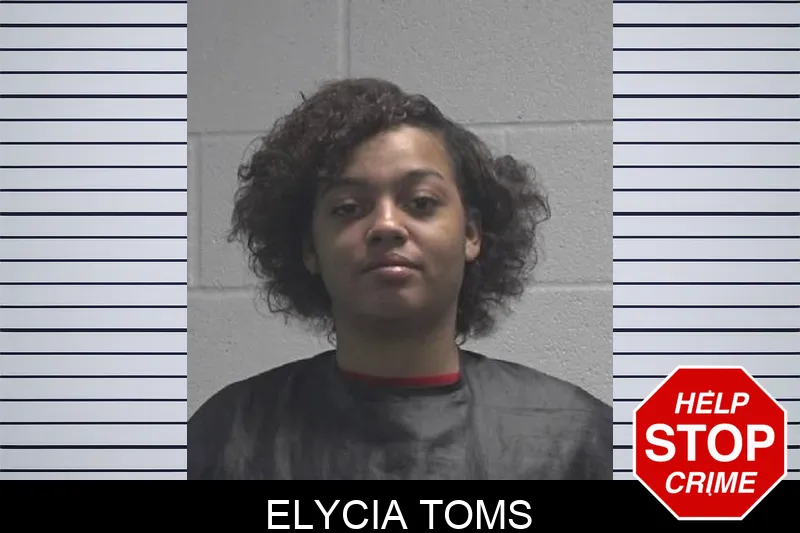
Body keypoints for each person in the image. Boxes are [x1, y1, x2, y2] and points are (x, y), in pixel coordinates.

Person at [188, 78, 612, 480]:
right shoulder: (226, 437)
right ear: (310, 249)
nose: (386, 226)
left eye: (421, 202)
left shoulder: (577, 441)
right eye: (348, 208)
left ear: (471, 234)